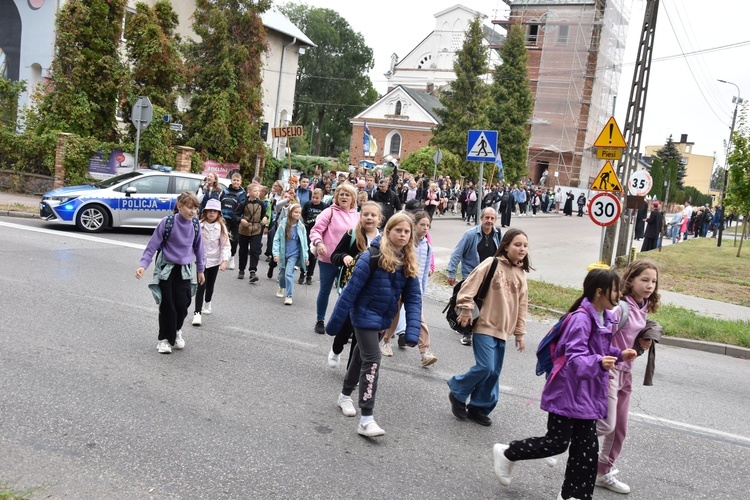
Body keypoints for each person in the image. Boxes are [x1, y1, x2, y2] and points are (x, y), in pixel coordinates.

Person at [492, 269, 638, 500]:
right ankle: (508, 452)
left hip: (586, 394)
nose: (620, 295)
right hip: (566, 392)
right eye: (616, 289)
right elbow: (575, 359)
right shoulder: (581, 319)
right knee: (557, 443)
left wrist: (619, 354)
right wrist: (601, 362)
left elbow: (598, 350)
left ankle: (574, 495)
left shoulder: (604, 317)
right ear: (599, 292)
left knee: (587, 449)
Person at [326, 213, 422, 437]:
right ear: (388, 231)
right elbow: (349, 292)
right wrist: (334, 325)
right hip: (363, 315)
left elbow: (414, 298)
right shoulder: (371, 256)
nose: (403, 235)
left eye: (407, 231)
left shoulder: (407, 261)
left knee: (360, 357)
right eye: (398, 230)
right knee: (373, 360)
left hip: (383, 319)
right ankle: (366, 419)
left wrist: (413, 331)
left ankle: (344, 395)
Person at [447, 228, 530, 426]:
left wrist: (519, 333)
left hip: (504, 331)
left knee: (493, 373)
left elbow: (522, 306)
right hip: (484, 325)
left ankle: (479, 407)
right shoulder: (491, 263)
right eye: (517, 244)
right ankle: (458, 390)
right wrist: (466, 309)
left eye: (525, 245)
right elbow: (469, 286)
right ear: (506, 245)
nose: (522, 249)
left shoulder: (521, 274)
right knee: (486, 367)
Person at [596, 260, 660, 494]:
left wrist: (642, 343)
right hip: (610, 370)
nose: (650, 285)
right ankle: (565, 440)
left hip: (626, 373)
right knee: (606, 424)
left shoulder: (642, 307)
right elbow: (602, 338)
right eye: (644, 280)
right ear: (630, 280)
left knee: (619, 428)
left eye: (653, 281)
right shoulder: (621, 308)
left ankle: (603, 472)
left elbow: (629, 341)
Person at [135, 192, 206, 354]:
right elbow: (152, 245)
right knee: (168, 305)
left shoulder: (195, 225)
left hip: (184, 271)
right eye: (189, 207)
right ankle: (164, 339)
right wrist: (143, 265)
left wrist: (201, 269)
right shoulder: (167, 223)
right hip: (166, 270)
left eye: (195, 208)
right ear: (179, 206)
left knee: (182, 304)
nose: (193, 211)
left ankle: (177, 330)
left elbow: (199, 248)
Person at [327, 201, 382, 368]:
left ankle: (352, 369)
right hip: (351, 287)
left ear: (380, 219)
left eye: (373, 215)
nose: (369, 218)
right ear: (360, 216)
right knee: (346, 326)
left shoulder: (384, 240)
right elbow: (334, 255)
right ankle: (336, 349)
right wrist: (343, 257)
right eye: (366, 214)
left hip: (370, 293)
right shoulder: (352, 235)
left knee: (359, 333)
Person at [380, 211, 439, 368]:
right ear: (414, 226)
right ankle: (386, 340)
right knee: (395, 314)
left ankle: (424, 352)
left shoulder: (427, 247)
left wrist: (422, 289)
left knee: (419, 318)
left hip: (414, 289)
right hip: (399, 285)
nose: (425, 228)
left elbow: (425, 270)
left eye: (428, 225)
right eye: (422, 225)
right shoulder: (406, 243)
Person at [446, 208, 502, 345]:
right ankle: (467, 332)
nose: (489, 221)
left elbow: (501, 256)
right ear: (481, 218)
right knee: (470, 304)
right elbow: (456, 254)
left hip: (489, 277)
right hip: (471, 275)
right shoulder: (470, 235)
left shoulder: (497, 235)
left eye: (492, 218)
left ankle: (479, 329)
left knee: (484, 305)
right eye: (487, 218)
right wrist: (451, 273)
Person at [309, 183, 359, 334]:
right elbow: (316, 230)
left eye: (347, 194)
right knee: (325, 290)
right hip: (328, 259)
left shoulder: (357, 216)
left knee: (345, 293)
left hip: (348, 261)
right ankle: (320, 320)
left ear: (353, 198)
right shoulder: (329, 212)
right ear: (336, 196)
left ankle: (342, 323)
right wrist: (319, 243)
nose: (344, 197)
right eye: (341, 194)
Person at [191, 199, 230, 326]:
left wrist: (224, 261)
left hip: (214, 260)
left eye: (215, 211)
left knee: (210, 285)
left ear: (219, 213)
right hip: (201, 261)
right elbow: (191, 241)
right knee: (200, 285)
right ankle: (197, 313)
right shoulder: (199, 224)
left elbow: (225, 246)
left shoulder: (221, 227)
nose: (212, 213)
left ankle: (207, 302)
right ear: (205, 212)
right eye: (210, 211)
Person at [272, 204, 308, 305]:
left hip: (294, 254)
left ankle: (289, 296)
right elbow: (277, 239)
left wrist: (306, 256)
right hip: (283, 253)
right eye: (296, 212)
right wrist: (276, 254)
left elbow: (304, 243)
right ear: (290, 213)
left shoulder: (301, 226)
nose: (298, 214)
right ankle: (281, 286)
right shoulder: (283, 224)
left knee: (289, 273)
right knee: (282, 275)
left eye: (299, 213)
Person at [235, 183, 268, 283]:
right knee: (243, 250)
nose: (257, 193)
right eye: (255, 191)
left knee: (254, 250)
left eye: (258, 191)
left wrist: (265, 218)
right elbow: (235, 214)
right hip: (244, 230)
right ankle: (241, 269)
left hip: (256, 230)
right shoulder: (243, 203)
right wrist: (241, 220)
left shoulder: (261, 204)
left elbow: (265, 214)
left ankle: (253, 271)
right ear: (249, 192)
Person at [219, 173, 247, 270]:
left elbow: (244, 207)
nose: (236, 182)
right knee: (223, 238)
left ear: (240, 182)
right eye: (234, 180)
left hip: (235, 220)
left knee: (234, 239)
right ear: (231, 181)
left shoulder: (243, 193)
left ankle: (232, 257)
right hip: (224, 219)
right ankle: (223, 259)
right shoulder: (225, 191)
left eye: (237, 180)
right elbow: (219, 202)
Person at [300, 188, 328, 285]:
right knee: (305, 253)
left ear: (321, 198)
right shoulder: (308, 205)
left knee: (313, 255)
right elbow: (303, 214)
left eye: (317, 198)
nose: (315, 200)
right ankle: (302, 272)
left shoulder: (324, 207)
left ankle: (309, 275)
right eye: (313, 197)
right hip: (307, 232)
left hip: (318, 234)